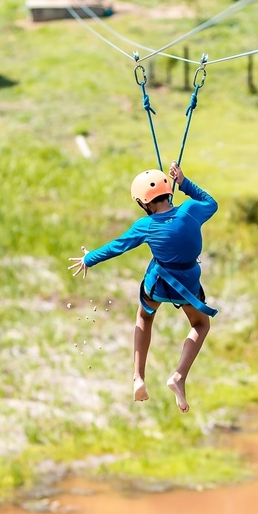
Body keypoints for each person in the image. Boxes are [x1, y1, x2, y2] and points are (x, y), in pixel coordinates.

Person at [68, 163, 218, 413]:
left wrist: (88, 258)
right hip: (187, 285)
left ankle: (138, 377)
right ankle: (179, 376)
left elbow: (117, 246)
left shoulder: (145, 225)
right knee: (200, 325)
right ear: (169, 192)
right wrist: (184, 182)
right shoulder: (191, 210)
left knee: (145, 317)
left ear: (144, 203)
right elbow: (211, 203)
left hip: (159, 284)